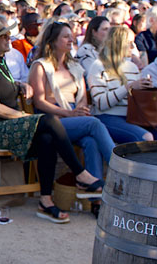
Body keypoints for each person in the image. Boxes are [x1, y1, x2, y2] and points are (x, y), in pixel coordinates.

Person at [0, 18, 104, 224]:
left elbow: (5, 88)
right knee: (48, 121)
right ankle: (81, 174)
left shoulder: (0, 63)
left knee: (48, 138)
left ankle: (46, 201)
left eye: (7, 35)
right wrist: (24, 117)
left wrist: (20, 85)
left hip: (9, 127)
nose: (8, 39)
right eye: (2, 36)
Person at [28, 22, 116, 184]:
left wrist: (81, 110)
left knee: (91, 141)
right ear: (53, 40)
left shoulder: (74, 66)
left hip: (74, 115)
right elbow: (39, 102)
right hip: (52, 120)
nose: (71, 39)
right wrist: (70, 113)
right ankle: (120, 167)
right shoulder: (41, 66)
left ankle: (93, 192)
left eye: (71, 36)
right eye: (65, 36)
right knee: (94, 124)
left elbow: (81, 96)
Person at [87, 26, 157, 143]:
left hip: (134, 117)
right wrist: (128, 87)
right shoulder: (98, 66)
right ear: (118, 44)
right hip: (108, 116)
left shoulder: (132, 67)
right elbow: (101, 103)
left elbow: (136, 96)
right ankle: (139, 162)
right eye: (130, 43)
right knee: (145, 137)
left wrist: (145, 90)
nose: (133, 47)